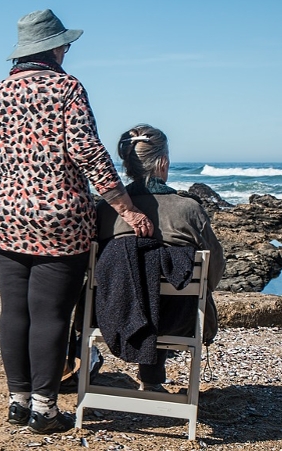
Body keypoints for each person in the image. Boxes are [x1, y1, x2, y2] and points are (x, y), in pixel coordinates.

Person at [0, 10, 154, 434]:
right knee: (50, 314)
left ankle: (17, 402)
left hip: (4, 214)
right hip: (60, 218)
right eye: (64, 44)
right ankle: (44, 410)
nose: (67, 49)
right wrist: (125, 206)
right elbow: (87, 150)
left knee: (14, 312)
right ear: (52, 47)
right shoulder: (67, 87)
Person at [95, 124, 225, 392]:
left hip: (111, 315)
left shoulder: (105, 210)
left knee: (138, 282)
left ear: (128, 164)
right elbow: (214, 268)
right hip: (178, 319)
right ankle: (152, 381)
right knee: (168, 292)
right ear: (163, 161)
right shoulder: (188, 209)